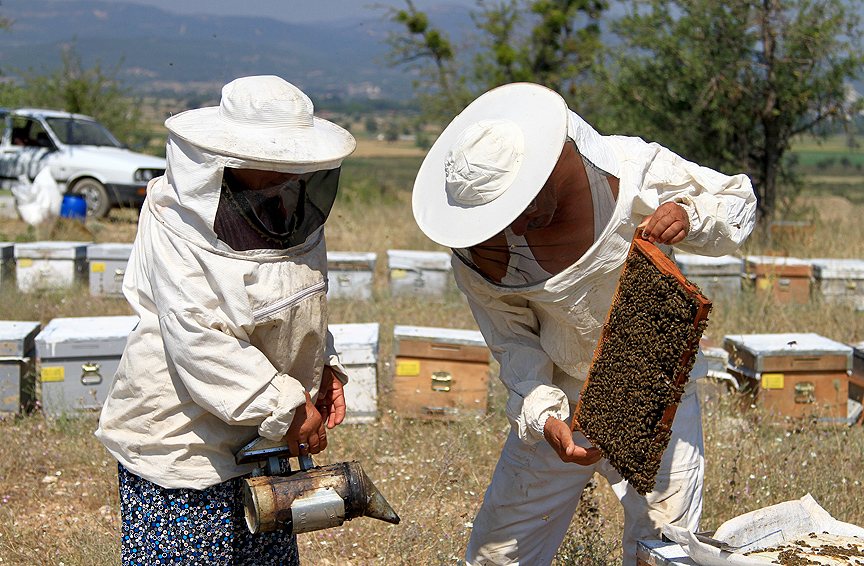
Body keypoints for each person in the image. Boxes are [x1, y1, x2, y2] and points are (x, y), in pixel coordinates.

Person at [411, 82, 757, 566]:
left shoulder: (634, 168)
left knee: (664, 550)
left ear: (549, 166)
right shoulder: (478, 256)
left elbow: (738, 202)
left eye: (523, 206)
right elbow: (512, 342)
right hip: (565, 394)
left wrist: (689, 214)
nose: (517, 227)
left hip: (655, 386)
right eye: (501, 218)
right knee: (498, 552)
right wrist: (544, 415)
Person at [95, 75, 355, 566]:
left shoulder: (290, 208)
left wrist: (324, 372)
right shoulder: (178, 215)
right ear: (232, 155)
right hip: (183, 446)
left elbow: (300, 297)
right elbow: (197, 337)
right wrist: (291, 405)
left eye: (296, 161)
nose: (289, 172)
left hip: (265, 442)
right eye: (275, 159)